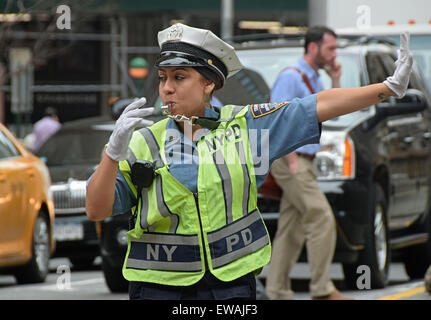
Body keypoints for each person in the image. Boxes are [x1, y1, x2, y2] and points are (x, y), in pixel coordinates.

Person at [85, 23, 412, 300]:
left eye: (179, 77)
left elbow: (314, 105)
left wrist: (385, 88)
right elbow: (96, 210)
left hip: (232, 287)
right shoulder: (142, 140)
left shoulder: (245, 126)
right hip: (159, 288)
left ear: (208, 83)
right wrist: (112, 153)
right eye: (162, 78)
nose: (167, 89)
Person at [265, 26, 347, 300]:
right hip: (293, 160)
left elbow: (332, 115)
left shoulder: (313, 78)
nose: (334, 55)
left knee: (292, 227)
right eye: (331, 48)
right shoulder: (291, 77)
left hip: (303, 160)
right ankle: (322, 290)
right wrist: (291, 161)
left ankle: (276, 292)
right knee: (321, 218)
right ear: (313, 48)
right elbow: (277, 118)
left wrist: (336, 79)